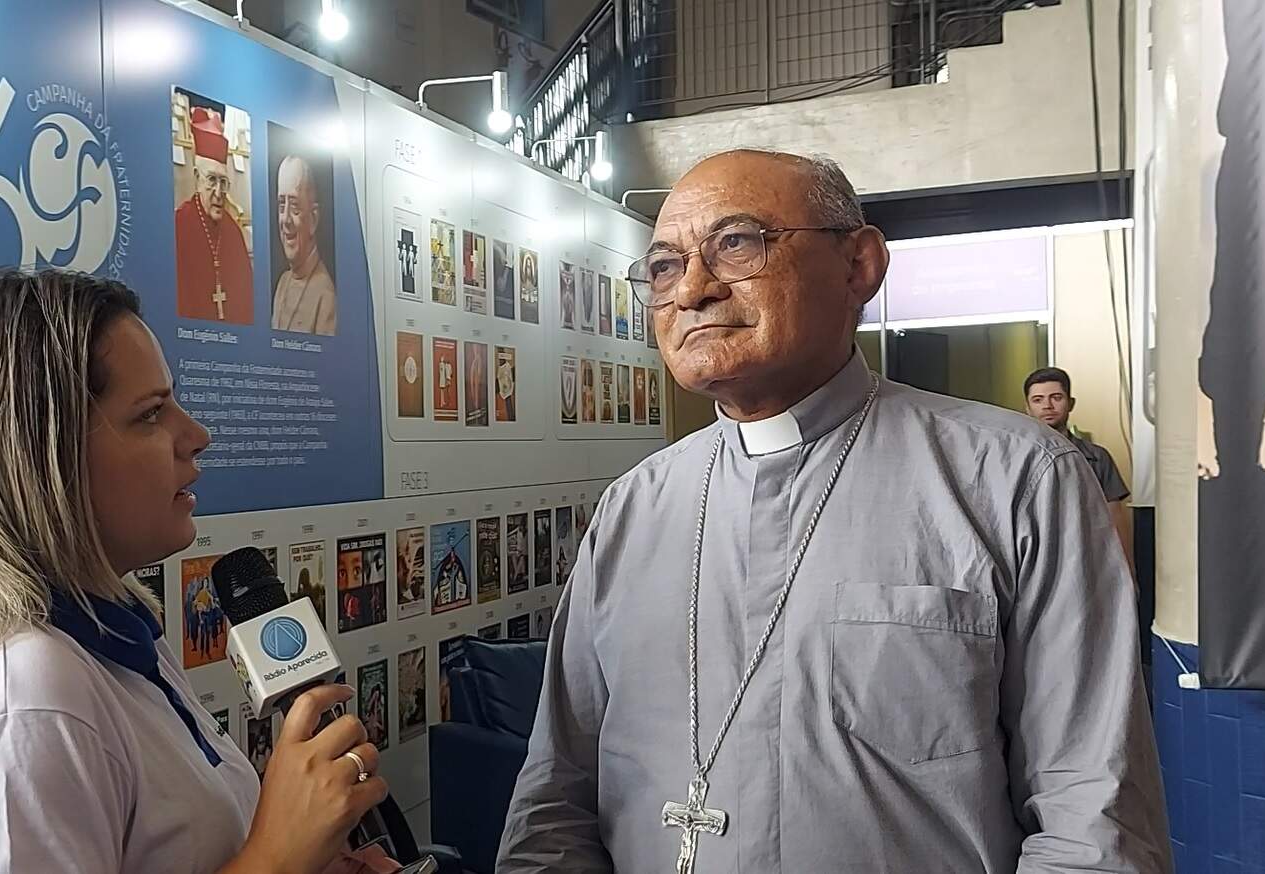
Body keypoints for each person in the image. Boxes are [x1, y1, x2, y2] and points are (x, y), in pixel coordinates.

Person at [499, 151, 1169, 873]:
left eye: (736, 243)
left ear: (859, 266)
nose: (691, 290)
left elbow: (1092, 820)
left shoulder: (1016, 479)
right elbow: (555, 801)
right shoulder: (633, 508)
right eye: (664, 267)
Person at [0, 269, 386, 874]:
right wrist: (276, 860)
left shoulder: (111, 632)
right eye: (151, 414)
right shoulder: (17, 701)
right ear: (42, 459)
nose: (197, 435)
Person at [1023, 367, 1134, 568]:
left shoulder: (1096, 457)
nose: (1047, 406)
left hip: (1089, 558)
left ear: (1070, 403)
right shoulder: (1018, 458)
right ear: (1028, 408)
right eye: (1038, 400)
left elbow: (1115, 519)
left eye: (1056, 397)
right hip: (1034, 560)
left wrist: (1129, 571)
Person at [176, 109, 255, 324]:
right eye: (211, 180)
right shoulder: (179, 225)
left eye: (223, 182)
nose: (219, 192)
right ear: (196, 178)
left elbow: (248, 302)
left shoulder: (233, 231)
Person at [270, 155, 337, 336]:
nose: (285, 220)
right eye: (281, 205)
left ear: (313, 219)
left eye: (295, 207)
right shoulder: (283, 283)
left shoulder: (326, 297)